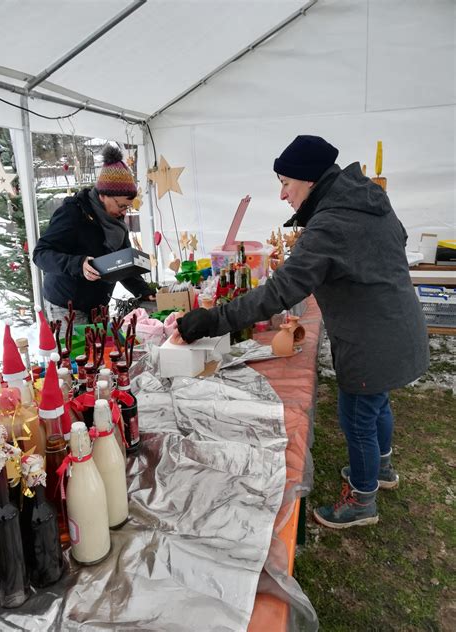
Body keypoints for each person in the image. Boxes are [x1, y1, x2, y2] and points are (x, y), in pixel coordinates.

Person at [173, 134, 429, 529]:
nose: (281, 195)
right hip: (396, 325)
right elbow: (398, 241)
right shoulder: (366, 200)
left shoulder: (330, 223)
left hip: (371, 337)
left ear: (309, 181)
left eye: (285, 183)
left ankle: (363, 500)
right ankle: (381, 470)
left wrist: (213, 319)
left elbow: (280, 291)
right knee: (377, 403)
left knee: (357, 414)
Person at [33, 145, 155, 326]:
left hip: (98, 304)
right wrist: (78, 264)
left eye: (127, 208)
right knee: (80, 353)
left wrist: (144, 291)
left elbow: (121, 263)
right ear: (103, 195)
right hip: (67, 305)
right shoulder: (73, 213)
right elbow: (40, 254)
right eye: (121, 206)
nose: (124, 213)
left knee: (101, 352)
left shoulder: (116, 224)